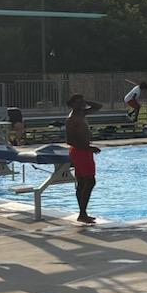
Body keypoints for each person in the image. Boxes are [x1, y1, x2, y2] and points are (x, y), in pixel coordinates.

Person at [65, 94, 102, 224]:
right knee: (90, 181)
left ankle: (83, 213)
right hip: (80, 152)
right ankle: (82, 213)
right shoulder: (72, 119)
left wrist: (85, 101)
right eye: (78, 102)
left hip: (84, 150)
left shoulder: (82, 114)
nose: (82, 104)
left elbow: (99, 106)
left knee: (82, 182)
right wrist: (88, 148)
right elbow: (69, 140)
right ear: (72, 104)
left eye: (82, 102)